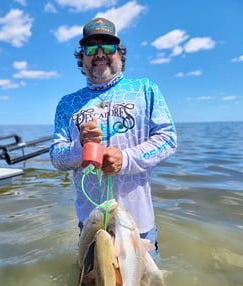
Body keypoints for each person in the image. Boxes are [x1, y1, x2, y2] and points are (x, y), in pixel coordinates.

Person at [50, 17, 177, 260]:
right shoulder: (67, 104)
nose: (99, 54)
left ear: (119, 53)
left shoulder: (145, 89)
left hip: (137, 225)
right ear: (82, 57)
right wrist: (80, 148)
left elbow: (168, 139)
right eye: (91, 48)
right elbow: (56, 157)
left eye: (107, 47)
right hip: (91, 225)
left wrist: (126, 159)